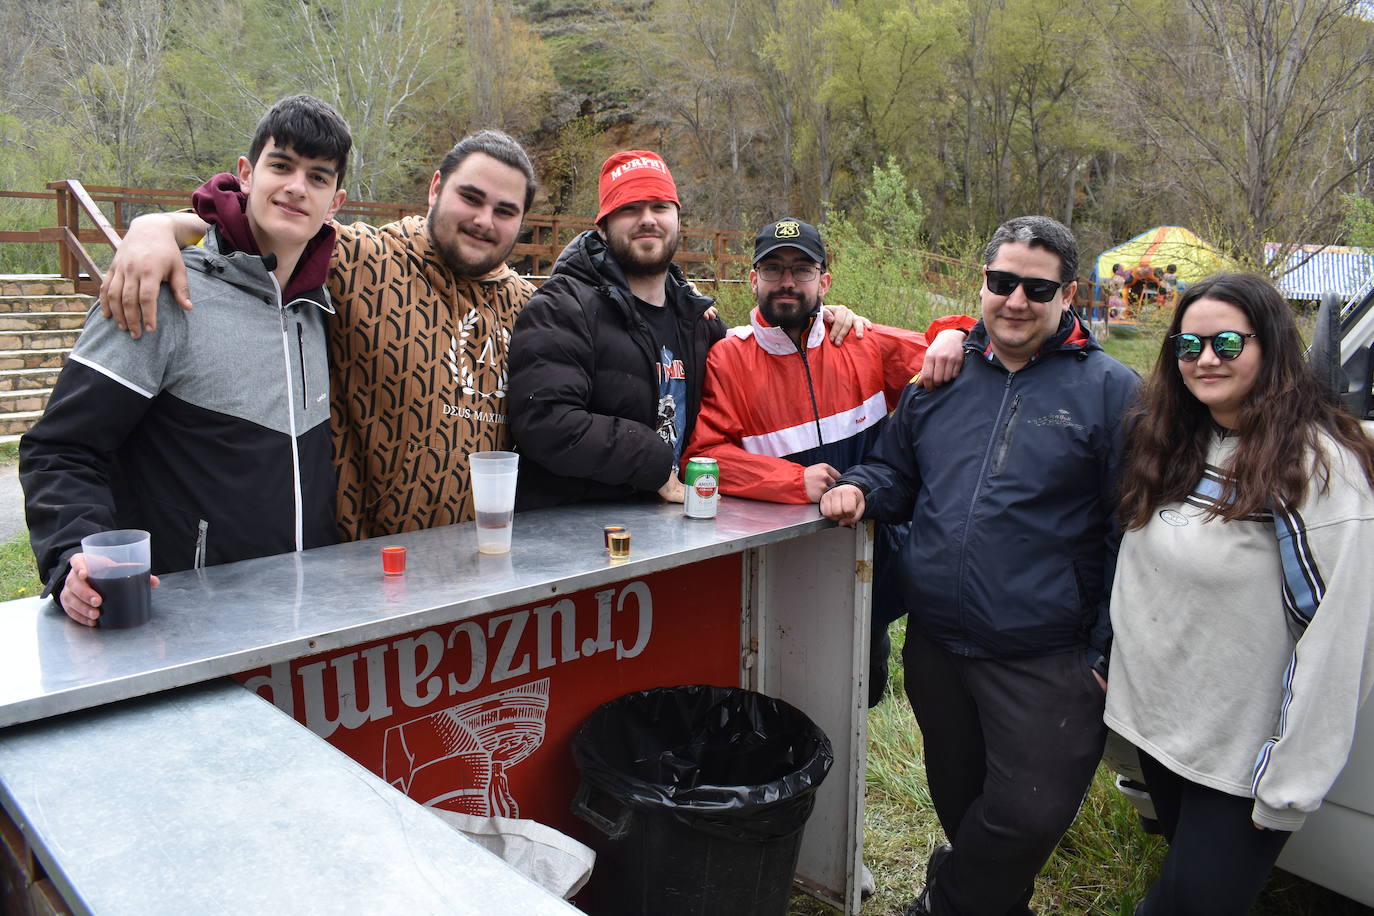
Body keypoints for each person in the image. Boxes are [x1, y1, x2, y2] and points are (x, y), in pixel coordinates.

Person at [820, 215, 1140, 916]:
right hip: (937, 647)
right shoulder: (942, 378)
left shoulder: (1113, 391)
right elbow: (897, 474)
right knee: (959, 802)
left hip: (1048, 656)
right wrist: (862, 490)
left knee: (1024, 819)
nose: (1015, 301)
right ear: (983, 283)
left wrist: (1105, 649)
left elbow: (1131, 530)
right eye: (1001, 282)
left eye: (1036, 287)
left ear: (1068, 292)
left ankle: (946, 903)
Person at [97, 129, 539, 539]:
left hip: (481, 570)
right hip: (360, 570)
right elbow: (257, 225)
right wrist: (160, 227)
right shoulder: (360, 259)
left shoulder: (527, 307)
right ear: (436, 188)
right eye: (471, 198)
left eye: (505, 211)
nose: (484, 220)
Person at [20, 95, 351, 626]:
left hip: (302, 620)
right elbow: (61, 448)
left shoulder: (319, 307)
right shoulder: (160, 289)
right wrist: (71, 556)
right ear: (246, 173)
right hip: (181, 624)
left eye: (317, 177)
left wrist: (161, 221)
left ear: (335, 202)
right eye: (281, 166)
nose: (296, 187)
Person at [1106, 273, 1374, 916]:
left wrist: (1289, 783)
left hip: (1244, 763)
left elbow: (1340, 640)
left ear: (1273, 347)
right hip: (1166, 737)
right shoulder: (1176, 440)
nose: (1205, 359)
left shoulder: (1317, 469)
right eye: (1188, 344)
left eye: (1228, 342)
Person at [685, 216, 971, 706]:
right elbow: (705, 457)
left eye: (802, 269)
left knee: (864, 691)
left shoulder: (862, 341)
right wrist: (794, 481)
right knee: (784, 689)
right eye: (773, 269)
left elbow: (953, 355)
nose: (788, 282)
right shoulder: (728, 357)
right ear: (752, 279)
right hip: (780, 567)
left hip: (872, 560)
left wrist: (956, 332)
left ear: (825, 280)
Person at [506, 152, 867, 509]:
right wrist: (655, 463)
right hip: (575, 535)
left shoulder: (697, 321)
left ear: (678, 219)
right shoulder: (561, 307)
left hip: (678, 530)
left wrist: (818, 320)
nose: (647, 219)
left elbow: (759, 365)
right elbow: (544, 421)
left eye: (660, 207)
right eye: (630, 208)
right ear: (602, 226)